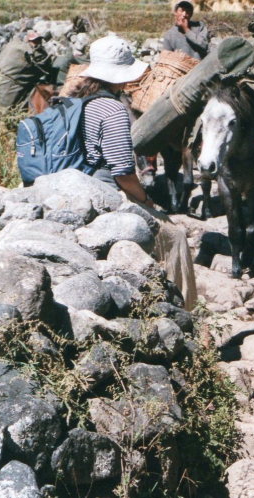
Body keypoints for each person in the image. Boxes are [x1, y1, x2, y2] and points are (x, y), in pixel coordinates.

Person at [73, 35, 197, 311]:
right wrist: (147, 202)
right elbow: (123, 174)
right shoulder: (113, 109)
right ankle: (186, 311)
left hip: (75, 185)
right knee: (174, 235)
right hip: (103, 191)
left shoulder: (76, 101)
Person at [0, 31, 55, 112]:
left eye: (38, 40)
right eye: (35, 41)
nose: (37, 43)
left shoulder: (14, 45)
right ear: (28, 40)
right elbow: (44, 67)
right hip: (9, 86)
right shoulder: (29, 52)